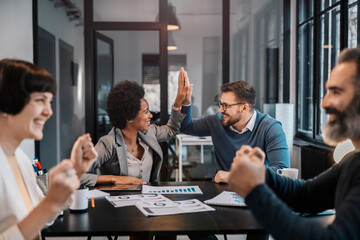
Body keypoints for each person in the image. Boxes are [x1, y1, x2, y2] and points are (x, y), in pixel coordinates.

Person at [228, 47, 360, 239]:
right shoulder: (353, 161)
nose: (323, 103)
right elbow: (306, 195)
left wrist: (254, 191)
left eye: (336, 92)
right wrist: (261, 173)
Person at [0, 59, 98, 240]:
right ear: (5, 102)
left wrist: (75, 172)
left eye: (50, 102)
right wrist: (51, 202)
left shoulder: (20, 158)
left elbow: (42, 219)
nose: (49, 111)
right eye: (40, 100)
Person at [81, 67, 190, 187]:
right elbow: (75, 175)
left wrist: (179, 100)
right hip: (120, 204)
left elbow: (172, 130)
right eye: (146, 111)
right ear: (129, 118)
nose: (151, 115)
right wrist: (114, 179)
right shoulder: (108, 144)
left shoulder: (149, 133)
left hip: (149, 201)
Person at [179, 69, 290, 183]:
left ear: (244, 108)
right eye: (221, 104)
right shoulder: (216, 121)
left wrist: (232, 176)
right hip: (221, 192)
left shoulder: (271, 128)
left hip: (255, 191)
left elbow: (281, 171)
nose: (221, 110)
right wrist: (186, 102)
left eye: (226, 106)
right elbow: (186, 126)